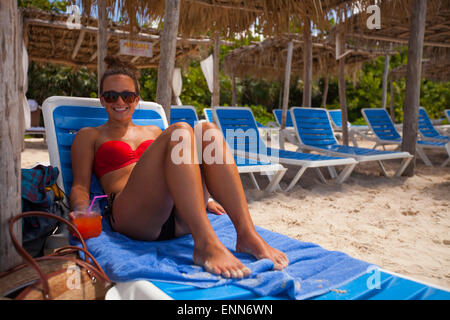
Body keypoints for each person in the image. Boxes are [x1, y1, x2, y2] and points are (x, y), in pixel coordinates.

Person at [70, 56, 288, 279]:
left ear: (137, 99)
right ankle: (205, 243)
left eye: (127, 95)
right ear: (101, 100)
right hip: (135, 216)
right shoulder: (89, 135)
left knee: (208, 130)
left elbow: (182, 165)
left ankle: (246, 234)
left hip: (180, 214)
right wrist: (80, 210)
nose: (119, 102)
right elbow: (80, 185)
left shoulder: (155, 132)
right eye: (110, 96)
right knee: (181, 129)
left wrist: (207, 200)